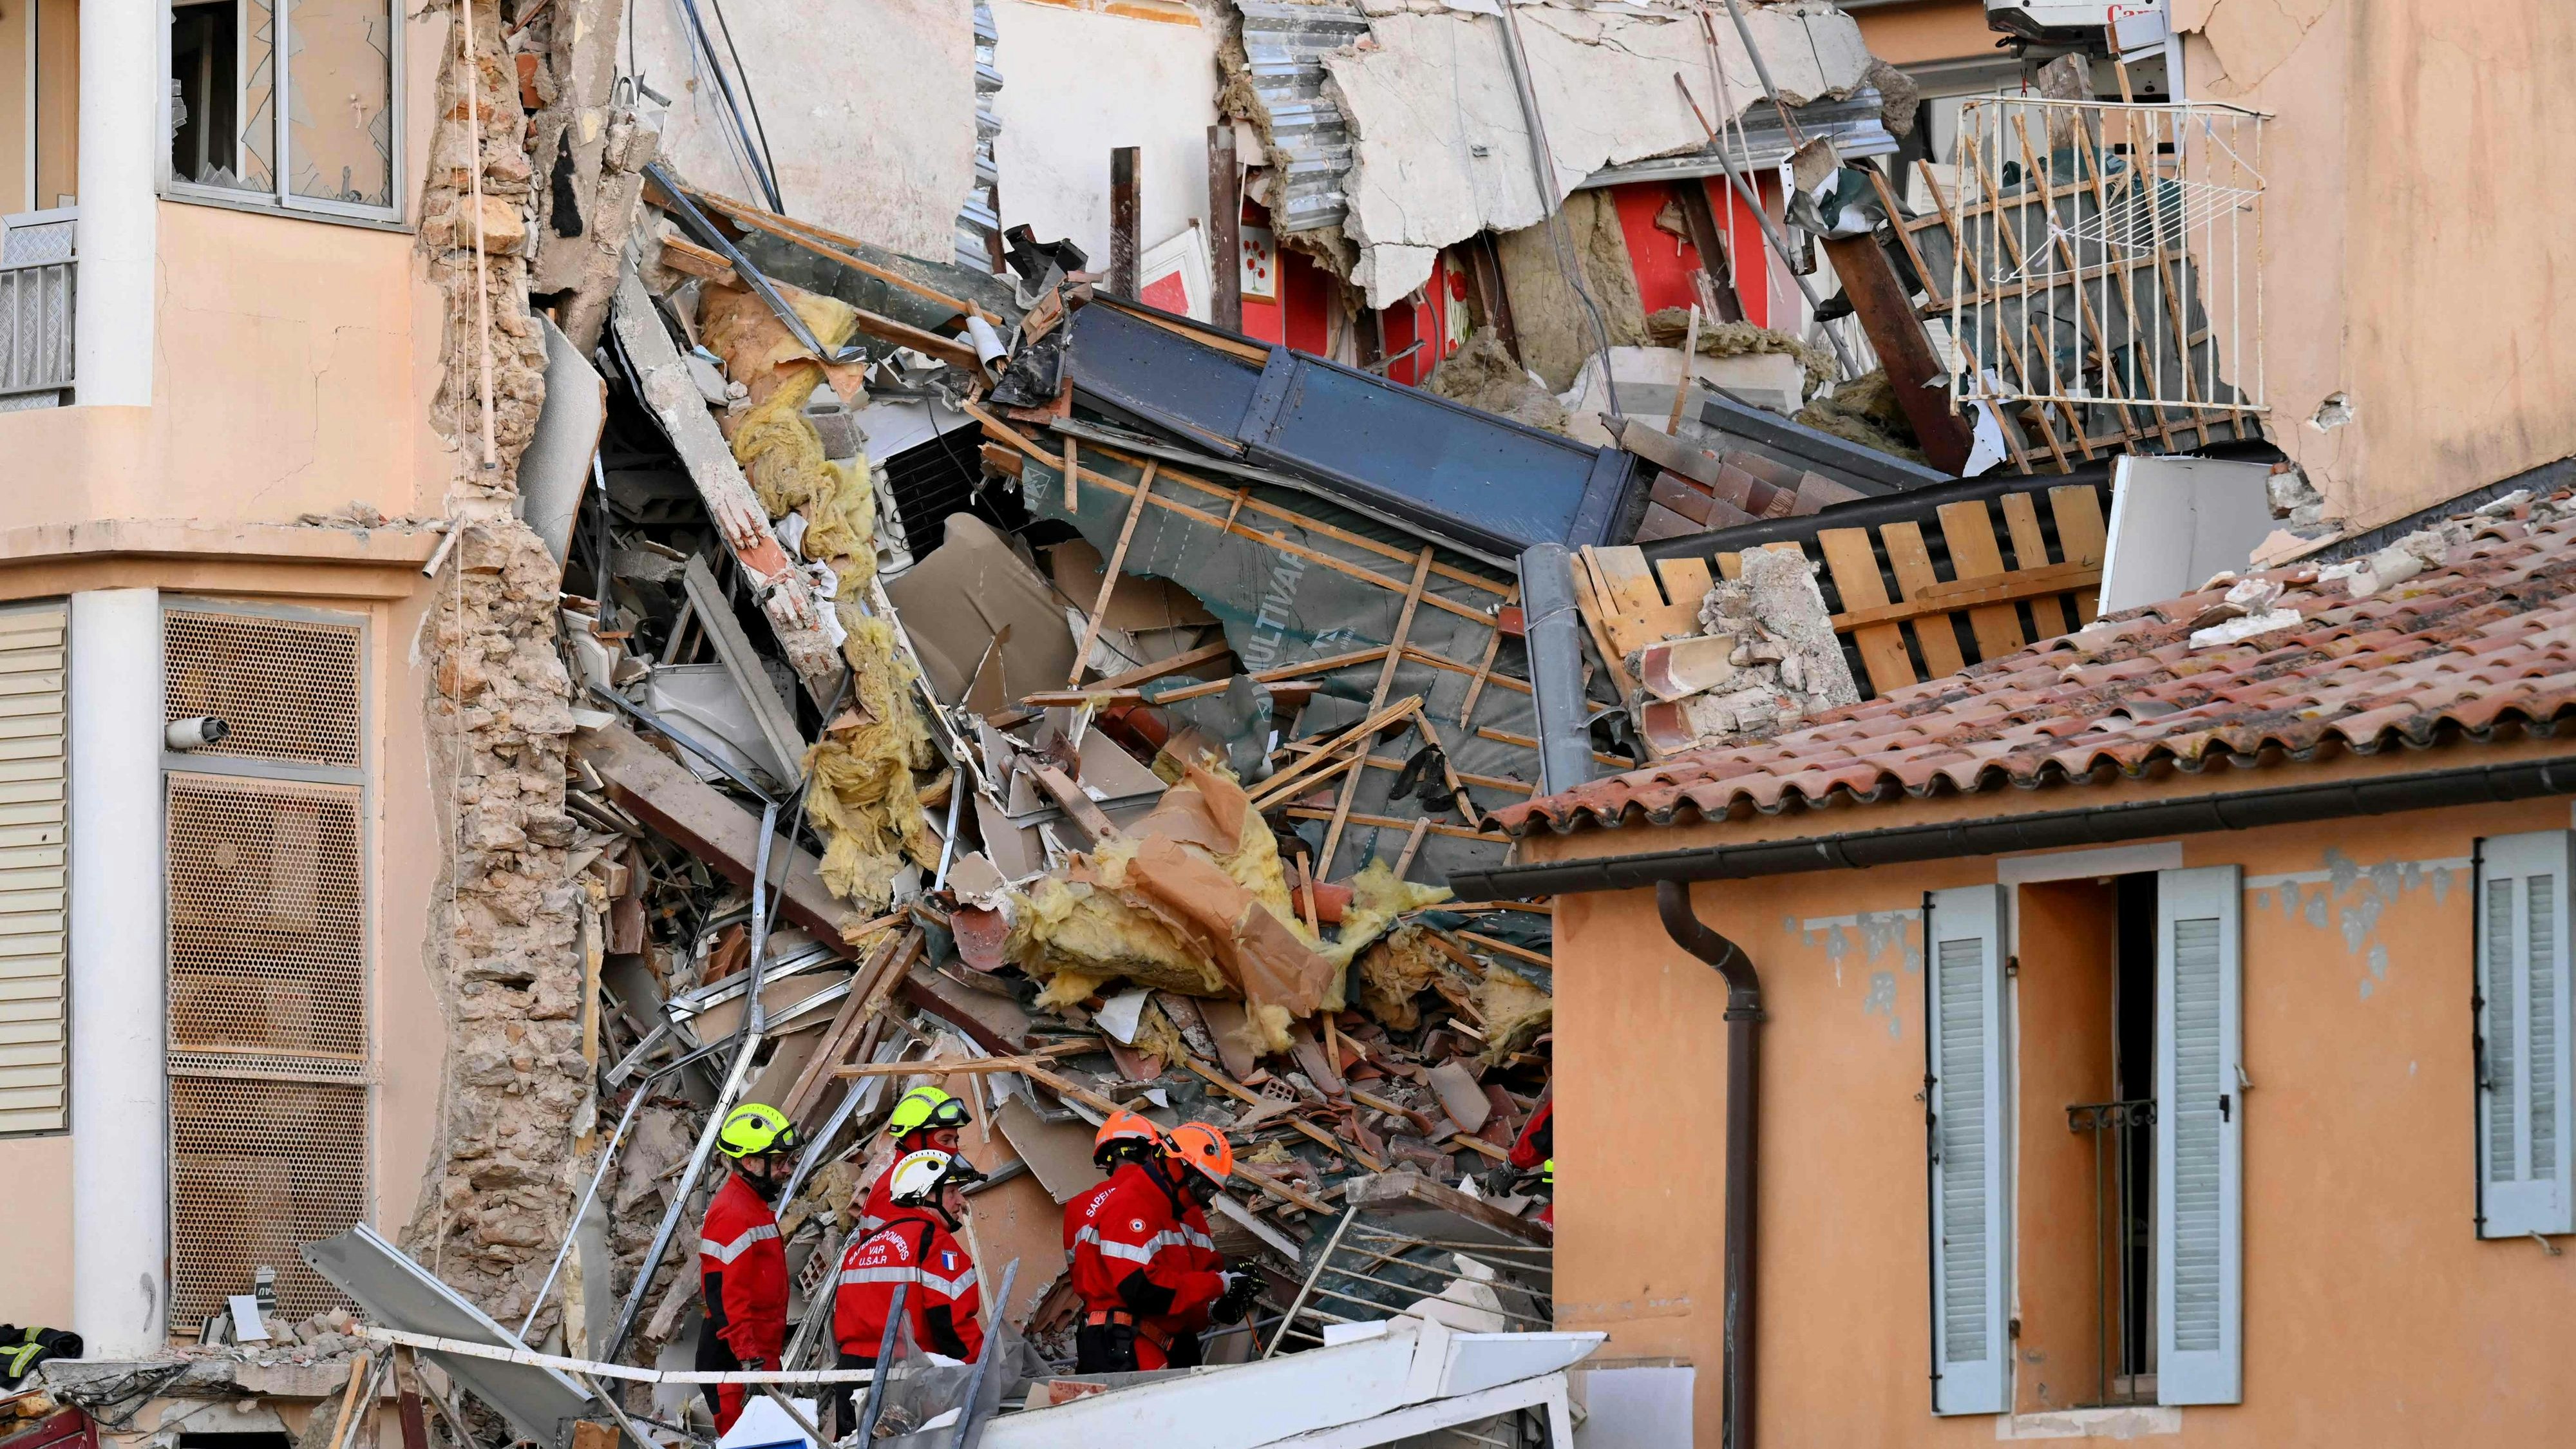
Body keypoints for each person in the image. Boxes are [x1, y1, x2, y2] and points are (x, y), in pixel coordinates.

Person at [1065, 1112, 1251, 1371]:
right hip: (1134, 1343)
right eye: (1202, 1188)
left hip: (1119, 1341)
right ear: (1154, 1153)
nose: (1202, 1199)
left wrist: (1216, 1302)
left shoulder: (1079, 1208)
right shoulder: (1143, 1203)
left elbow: (1087, 1282)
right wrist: (1219, 1286)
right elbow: (1143, 1289)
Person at [829, 1149, 987, 1431]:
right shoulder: (933, 1241)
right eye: (952, 1192)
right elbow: (952, 1324)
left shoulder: (862, 1248)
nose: (961, 1202)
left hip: (850, 1377)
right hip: (903, 1381)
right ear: (925, 1196)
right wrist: (983, 1373)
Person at [695, 1103, 797, 1434]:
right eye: (779, 1161)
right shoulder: (734, 1213)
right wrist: (749, 1360)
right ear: (750, 1162)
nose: (787, 1170)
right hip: (736, 1359)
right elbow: (724, 1296)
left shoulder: (752, 1205)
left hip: (753, 1353)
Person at [855, 1085, 973, 1235]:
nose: (954, 1150)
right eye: (945, 1140)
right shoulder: (895, 1192)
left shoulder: (917, 1183)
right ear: (916, 1140)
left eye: (955, 1140)